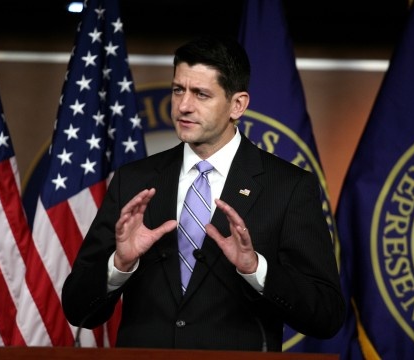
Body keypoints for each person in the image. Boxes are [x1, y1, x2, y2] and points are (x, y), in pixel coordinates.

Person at [61, 35, 345, 351]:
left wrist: (256, 269)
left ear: (237, 105)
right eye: (178, 90)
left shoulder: (289, 187)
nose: (184, 105)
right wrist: (120, 264)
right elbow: (77, 308)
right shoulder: (133, 180)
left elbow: (327, 315)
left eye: (201, 94)